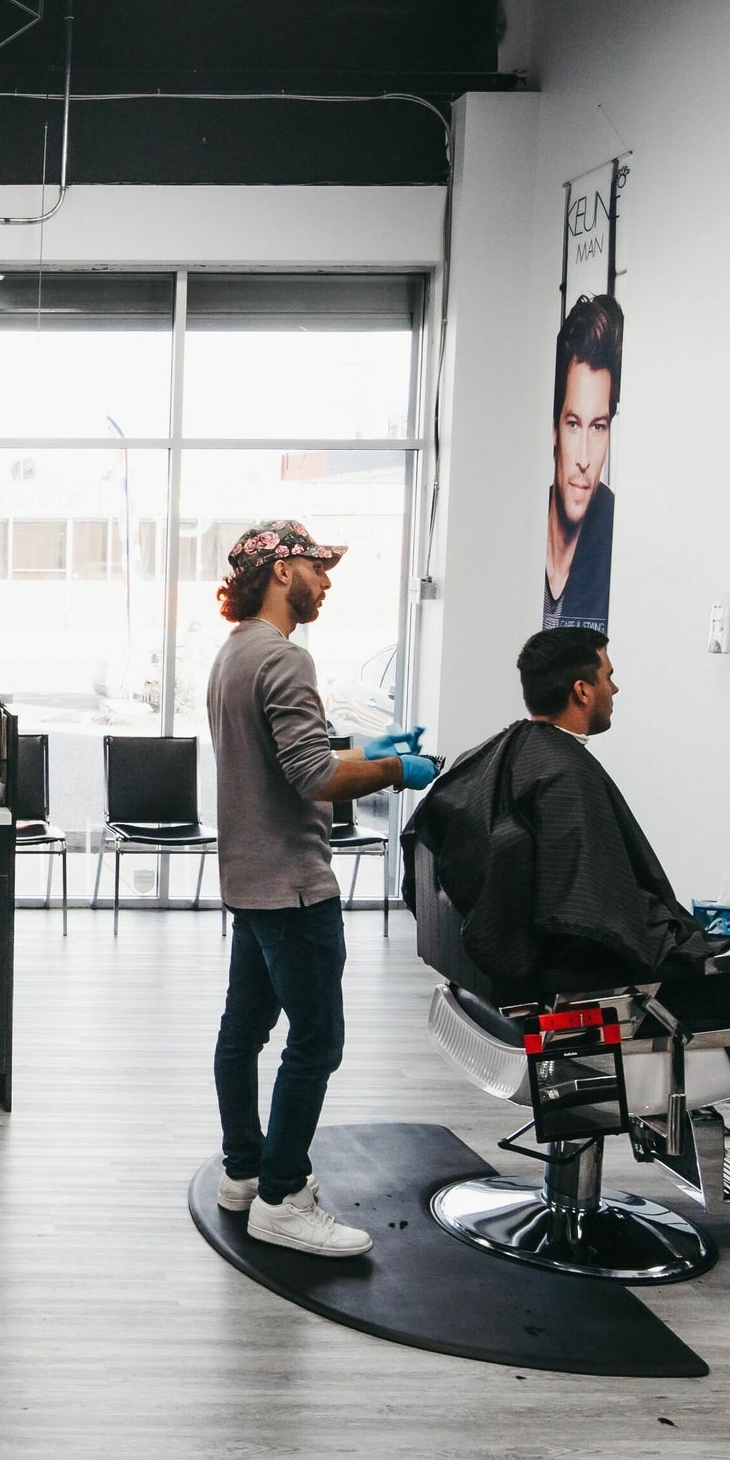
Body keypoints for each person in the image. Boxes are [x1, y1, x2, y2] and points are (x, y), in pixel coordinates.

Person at [424, 627, 730, 1195]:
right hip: (582, 999)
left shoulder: (505, 752)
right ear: (582, 690)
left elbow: (582, 895)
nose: (617, 687)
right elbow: (596, 916)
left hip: (510, 985)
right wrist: (696, 947)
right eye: (608, 675)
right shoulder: (566, 775)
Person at [204, 520, 439, 1258]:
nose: (327, 579)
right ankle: (283, 1195)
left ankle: (243, 1172)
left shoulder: (233, 653)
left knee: (243, 1031)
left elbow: (291, 751)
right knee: (317, 1040)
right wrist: (397, 772)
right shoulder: (285, 658)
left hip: (249, 880)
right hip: (297, 889)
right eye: (318, 566)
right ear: (280, 571)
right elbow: (311, 775)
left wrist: (366, 749)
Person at [543, 295, 620, 630]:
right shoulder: (524, 519)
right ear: (555, 429)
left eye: (598, 427)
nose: (585, 460)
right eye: (573, 424)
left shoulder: (616, 528)